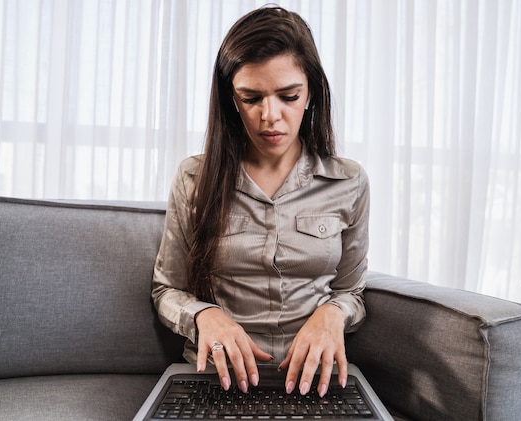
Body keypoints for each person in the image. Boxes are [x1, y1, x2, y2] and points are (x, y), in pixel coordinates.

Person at [152, 5, 369, 399]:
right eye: (251, 98)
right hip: (216, 381)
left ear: (312, 94)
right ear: (231, 100)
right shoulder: (192, 178)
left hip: (313, 383)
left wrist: (333, 313)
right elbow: (167, 291)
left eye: (289, 96)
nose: (270, 116)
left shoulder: (349, 181)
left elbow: (352, 291)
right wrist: (205, 316)